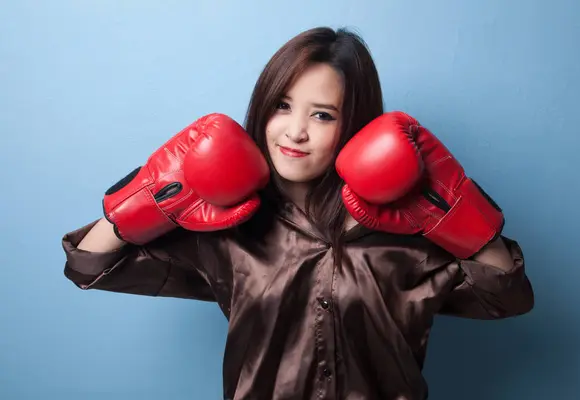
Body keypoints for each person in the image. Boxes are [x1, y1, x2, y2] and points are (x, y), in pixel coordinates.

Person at [61, 26, 535, 400]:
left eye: (322, 114)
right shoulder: (229, 227)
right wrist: (145, 196)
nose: (295, 131)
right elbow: (90, 264)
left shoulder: (407, 227)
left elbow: (507, 298)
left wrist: (458, 212)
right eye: (282, 106)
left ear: (354, 125)